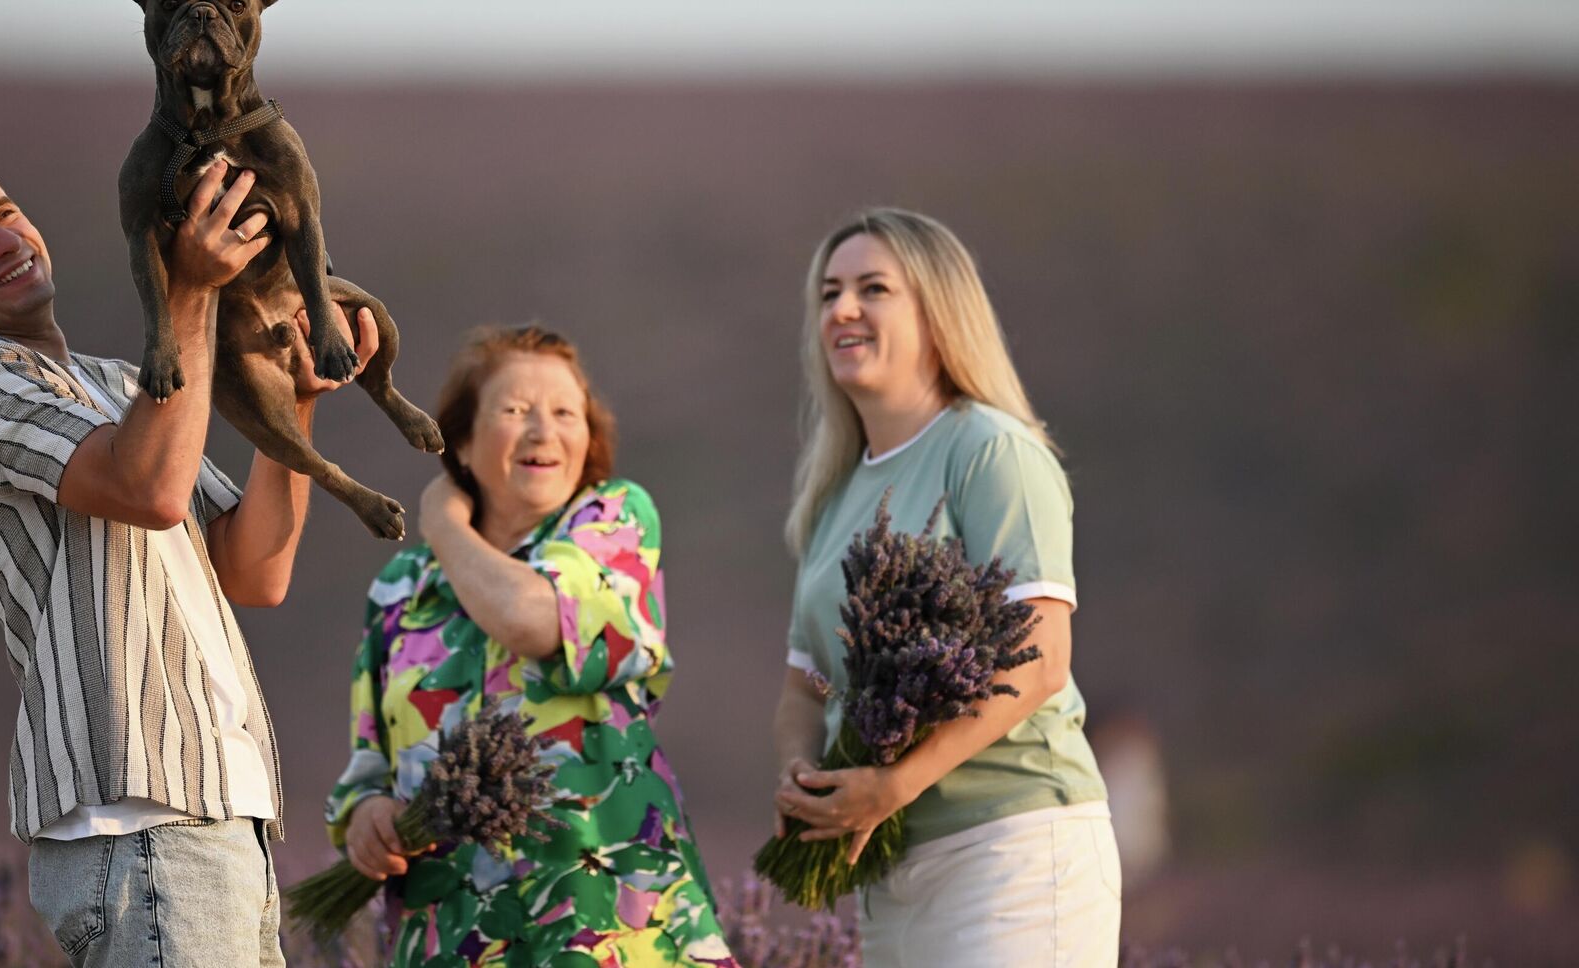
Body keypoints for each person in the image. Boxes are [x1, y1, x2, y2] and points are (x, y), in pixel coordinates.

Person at [0, 153, 379, 967]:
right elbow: (151, 490)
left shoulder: (117, 385)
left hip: (217, 815)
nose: (4, 241)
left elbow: (253, 572)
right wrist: (192, 288)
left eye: (5, 211)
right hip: (140, 828)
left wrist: (294, 399)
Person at [771, 209, 1121, 966]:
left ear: (939, 311)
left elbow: (1041, 659)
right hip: (889, 870)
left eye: (873, 289)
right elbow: (804, 685)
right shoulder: (832, 496)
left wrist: (894, 784)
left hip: (1013, 850)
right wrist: (804, 774)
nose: (843, 309)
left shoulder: (991, 451)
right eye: (829, 294)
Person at [327, 324, 739, 967]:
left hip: (604, 925)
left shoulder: (615, 521)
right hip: (453, 935)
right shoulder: (402, 587)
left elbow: (531, 621)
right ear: (462, 441)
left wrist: (442, 519)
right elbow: (367, 762)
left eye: (566, 414)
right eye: (516, 410)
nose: (544, 431)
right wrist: (366, 816)